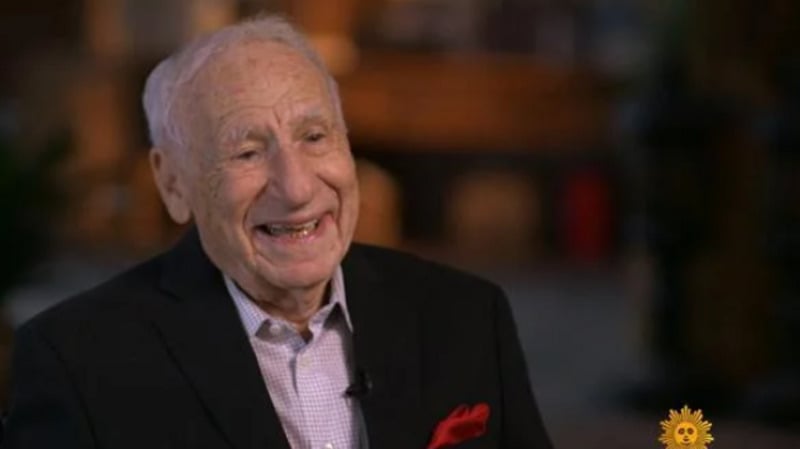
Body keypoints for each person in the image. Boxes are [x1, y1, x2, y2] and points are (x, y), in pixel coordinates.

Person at [1, 16, 552, 449]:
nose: (296, 188)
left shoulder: (470, 318)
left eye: (315, 137)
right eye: (247, 152)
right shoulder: (76, 362)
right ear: (172, 184)